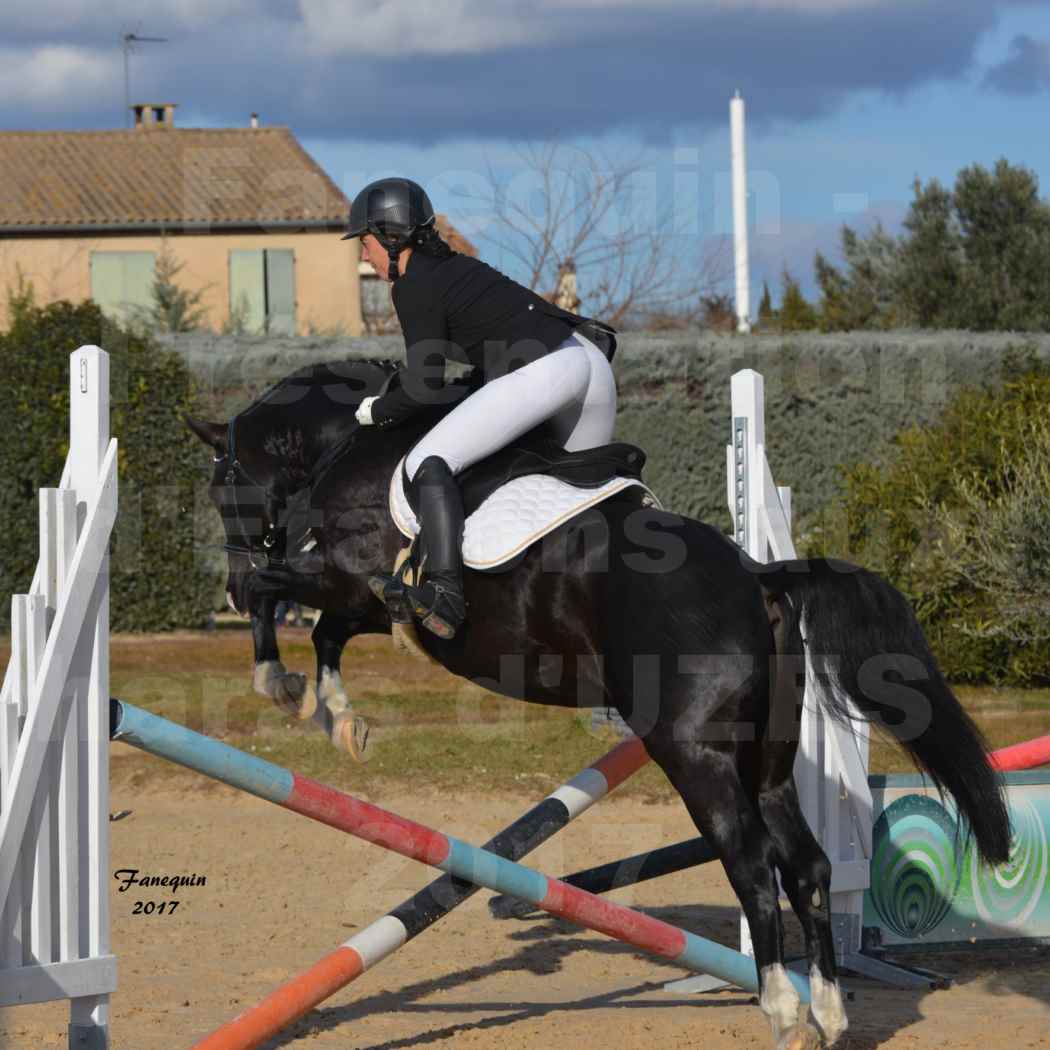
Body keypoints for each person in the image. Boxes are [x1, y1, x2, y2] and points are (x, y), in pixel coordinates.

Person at [345, 177, 618, 640]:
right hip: (589, 366)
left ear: (391, 239)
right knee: (570, 496)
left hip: (548, 372)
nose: (363, 256)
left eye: (366, 243)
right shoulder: (453, 267)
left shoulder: (414, 285)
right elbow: (482, 363)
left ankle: (446, 596)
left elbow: (422, 385)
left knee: (427, 463)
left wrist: (377, 411)